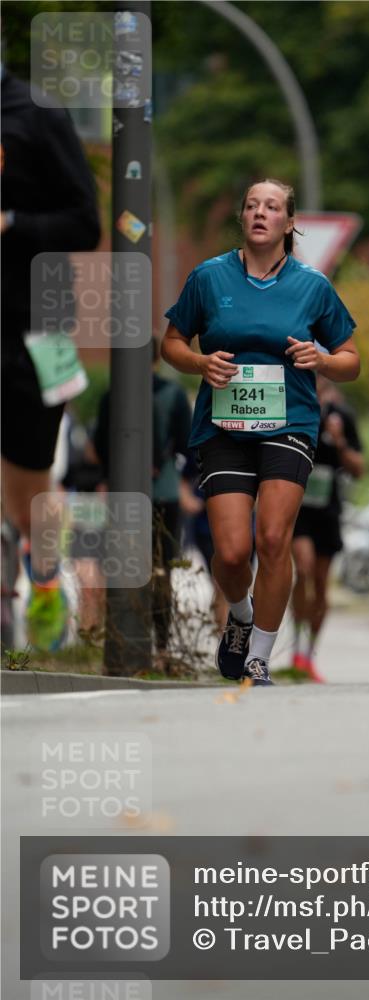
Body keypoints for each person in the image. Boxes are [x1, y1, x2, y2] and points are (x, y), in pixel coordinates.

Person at [162, 179, 359, 686]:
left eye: (271, 207)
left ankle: (259, 657)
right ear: (242, 218)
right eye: (251, 205)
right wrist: (200, 362)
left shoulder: (312, 285)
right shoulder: (209, 277)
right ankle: (242, 616)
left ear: (289, 223)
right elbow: (173, 343)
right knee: (230, 552)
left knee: (273, 538)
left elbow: (351, 361)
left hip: (289, 421)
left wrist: (323, 359)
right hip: (223, 424)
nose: (259, 213)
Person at [1, 68, 101, 651]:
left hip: (41, 328)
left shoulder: (38, 114)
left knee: (31, 483)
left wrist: (11, 223)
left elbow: (85, 223)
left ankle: (42, 577)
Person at [94, 336, 193, 669]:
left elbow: (100, 446)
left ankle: (125, 642)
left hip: (124, 499)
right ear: (156, 358)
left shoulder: (111, 397)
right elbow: (188, 445)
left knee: (125, 570)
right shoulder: (172, 395)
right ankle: (163, 648)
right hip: (165, 494)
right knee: (163, 571)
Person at [291, 376, 364, 681]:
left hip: (329, 508)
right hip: (298, 508)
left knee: (321, 583)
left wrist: (341, 439)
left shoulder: (341, 416)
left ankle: (309, 654)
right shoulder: (294, 408)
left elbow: (358, 468)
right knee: (304, 569)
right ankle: (296, 647)